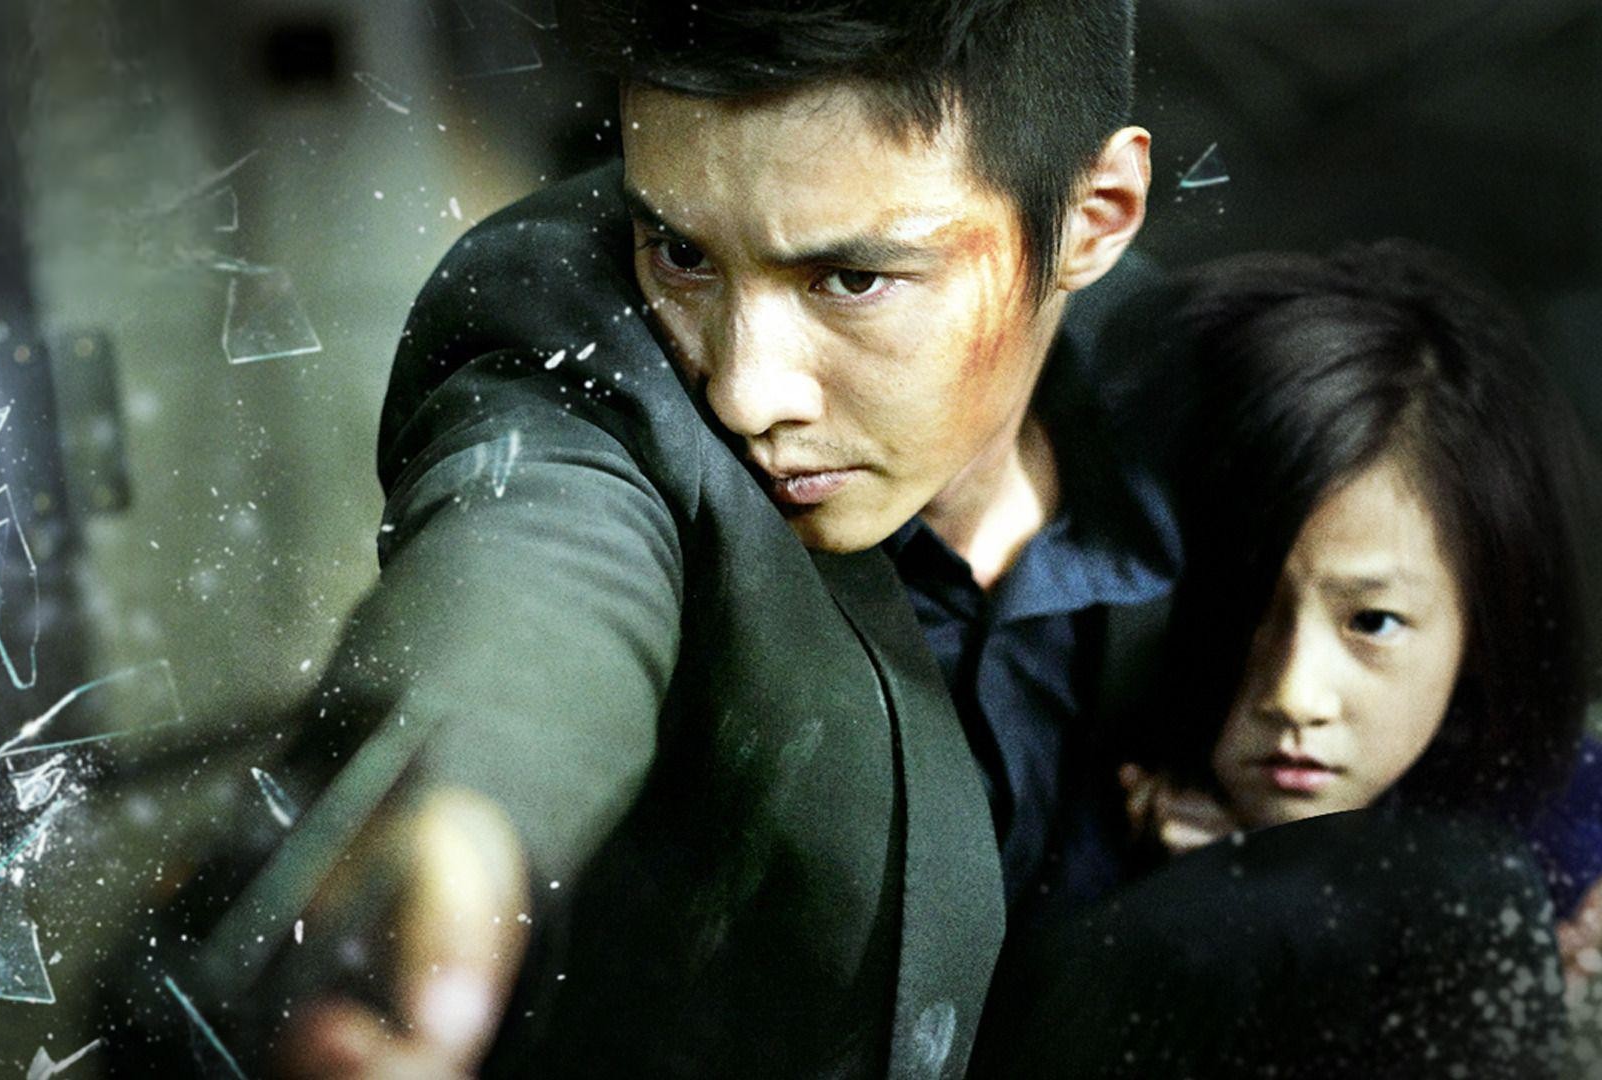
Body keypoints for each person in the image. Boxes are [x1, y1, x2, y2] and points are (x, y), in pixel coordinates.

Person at [118, 1, 1175, 1077]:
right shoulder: (576, 344)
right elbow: (541, 549)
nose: (744, 391)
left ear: (1096, 219)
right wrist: (461, 816)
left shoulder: (1198, 377)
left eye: (852, 279)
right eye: (681, 253)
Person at [970, 240, 1602, 1078]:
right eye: (1241, 612)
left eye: (1373, 622)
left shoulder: (1565, 851)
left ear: (1480, 630)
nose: (1296, 695)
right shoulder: (1064, 810)